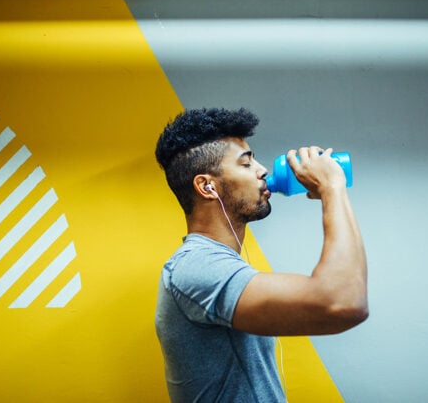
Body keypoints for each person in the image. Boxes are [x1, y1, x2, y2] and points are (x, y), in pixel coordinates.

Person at [154, 107, 368, 402]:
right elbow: (342, 302)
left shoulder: (217, 264)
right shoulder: (196, 266)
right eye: (246, 164)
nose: (263, 170)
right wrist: (333, 188)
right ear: (207, 186)